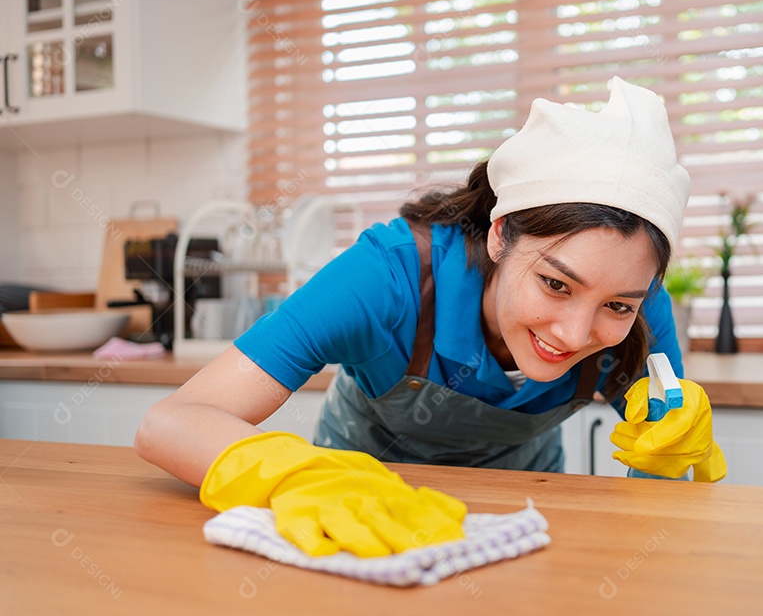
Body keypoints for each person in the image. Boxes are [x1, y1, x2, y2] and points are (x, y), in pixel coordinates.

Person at [135, 77, 725, 559]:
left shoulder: (638, 313)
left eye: (618, 305)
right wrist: (295, 477)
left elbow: (662, 500)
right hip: (356, 505)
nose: (575, 334)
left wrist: (671, 455)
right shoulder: (388, 277)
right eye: (555, 283)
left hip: (520, 520)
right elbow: (171, 421)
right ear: (500, 234)